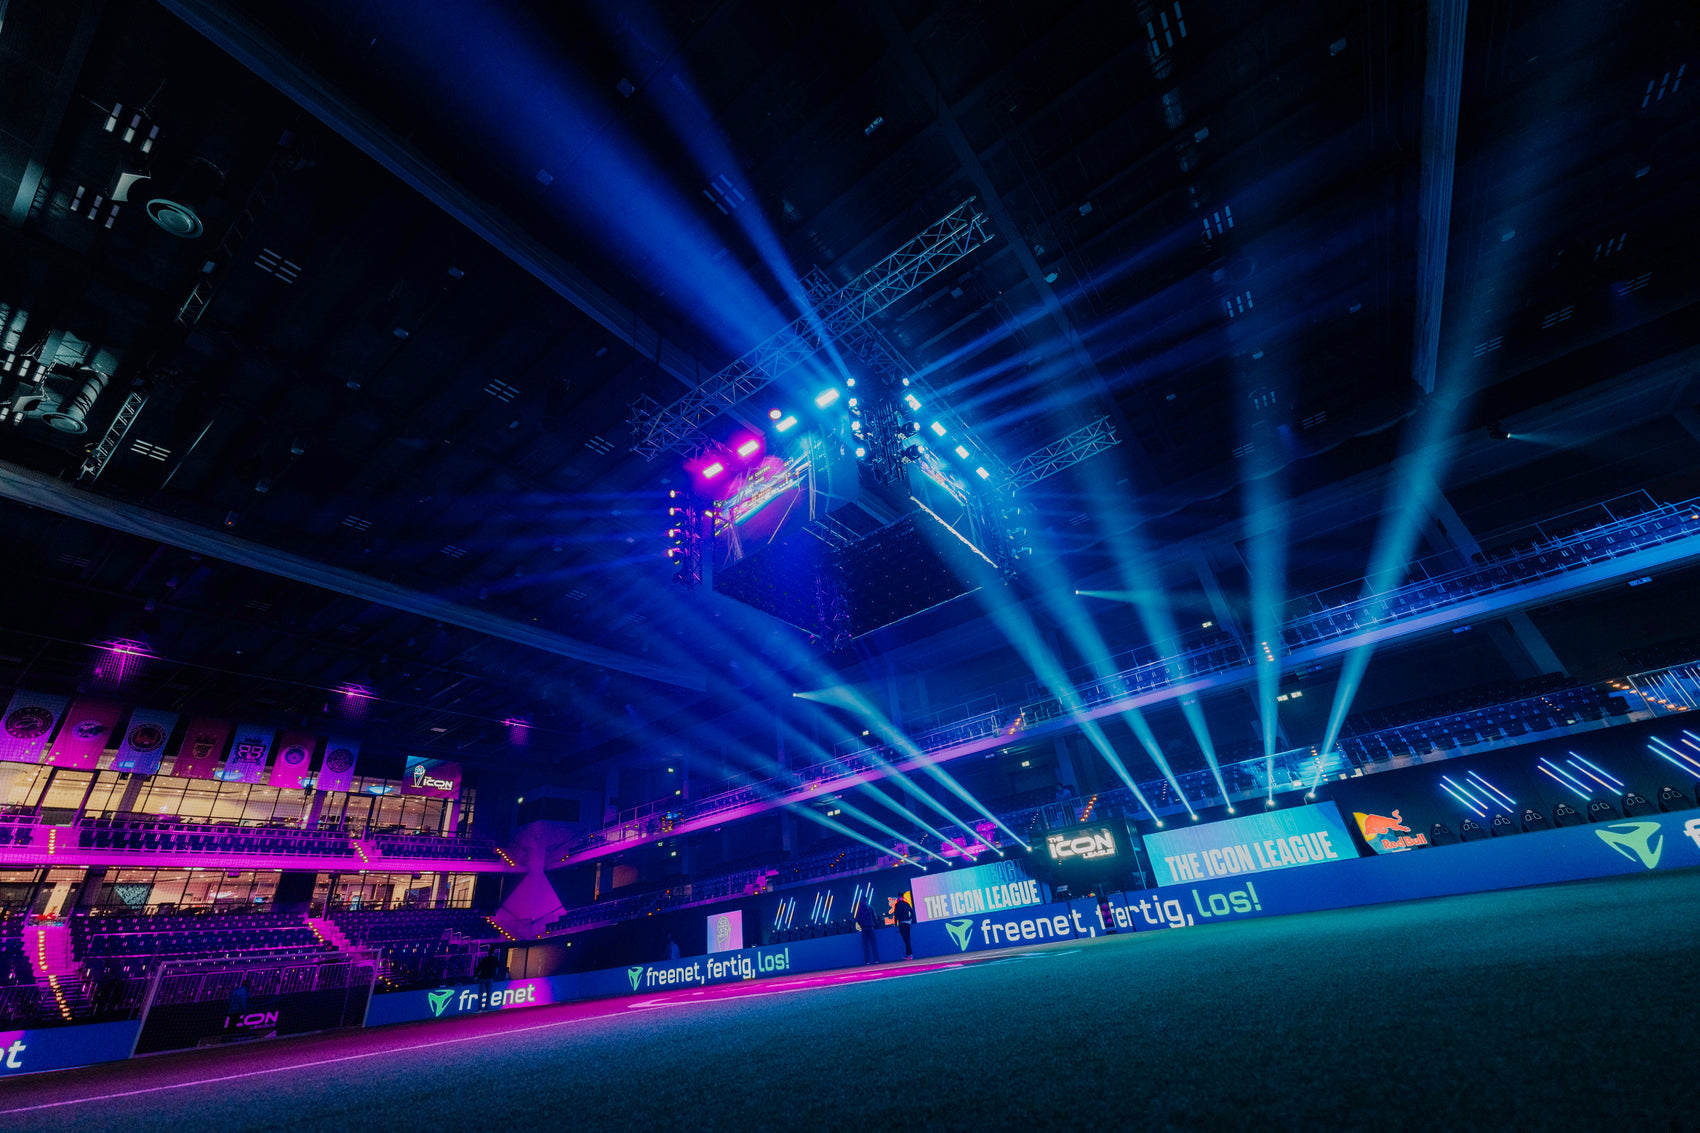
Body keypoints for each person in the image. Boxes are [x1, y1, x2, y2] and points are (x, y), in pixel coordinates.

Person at [854, 900, 880, 965]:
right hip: (871, 927)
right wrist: (874, 924)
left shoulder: (860, 910)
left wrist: (862, 925)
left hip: (864, 928)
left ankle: (867, 961)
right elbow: (875, 917)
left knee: (865, 946)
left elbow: (858, 920)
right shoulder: (871, 908)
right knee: (873, 945)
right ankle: (876, 960)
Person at [892, 892, 915, 960]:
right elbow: (912, 912)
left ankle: (909, 954)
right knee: (907, 939)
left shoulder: (897, 905)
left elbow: (896, 915)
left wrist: (896, 924)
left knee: (906, 939)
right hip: (907, 923)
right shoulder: (906, 904)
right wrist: (910, 919)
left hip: (902, 923)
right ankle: (908, 953)